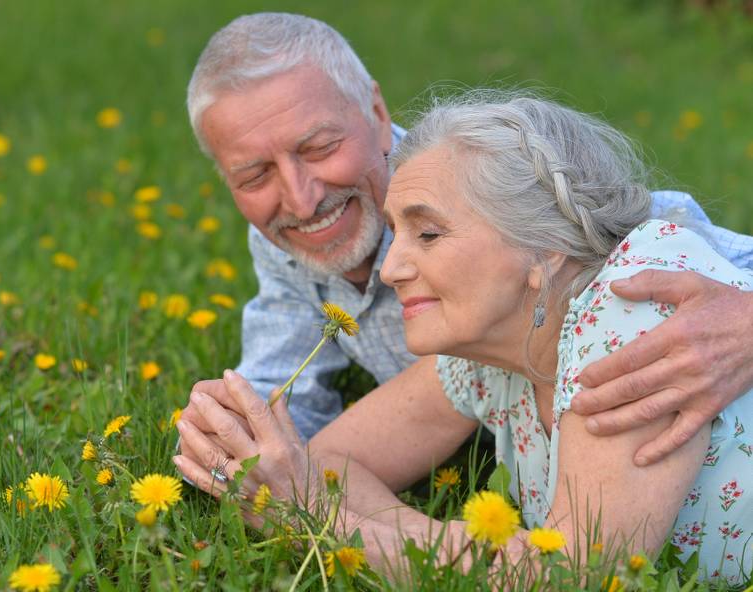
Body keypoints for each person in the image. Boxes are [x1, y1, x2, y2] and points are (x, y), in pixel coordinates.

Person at [174, 93, 753, 583]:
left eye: (427, 233)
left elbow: (572, 576)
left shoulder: (635, 303)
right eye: (396, 233)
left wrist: (322, 522)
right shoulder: (497, 345)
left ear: (544, 247)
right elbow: (331, 462)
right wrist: (358, 519)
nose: (390, 268)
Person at [183, 12, 753, 464]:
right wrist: (235, 436)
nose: (302, 199)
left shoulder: (473, 181)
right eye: (255, 176)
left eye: (320, 148)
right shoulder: (289, 234)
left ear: (378, 114)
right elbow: (288, 400)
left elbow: (632, 228)